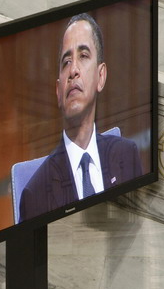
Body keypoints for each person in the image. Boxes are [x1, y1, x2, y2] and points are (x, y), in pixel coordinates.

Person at [18, 13, 142, 222]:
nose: (73, 70)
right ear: (58, 90)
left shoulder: (127, 155)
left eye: (83, 56)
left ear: (100, 76)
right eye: (66, 61)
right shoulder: (35, 194)